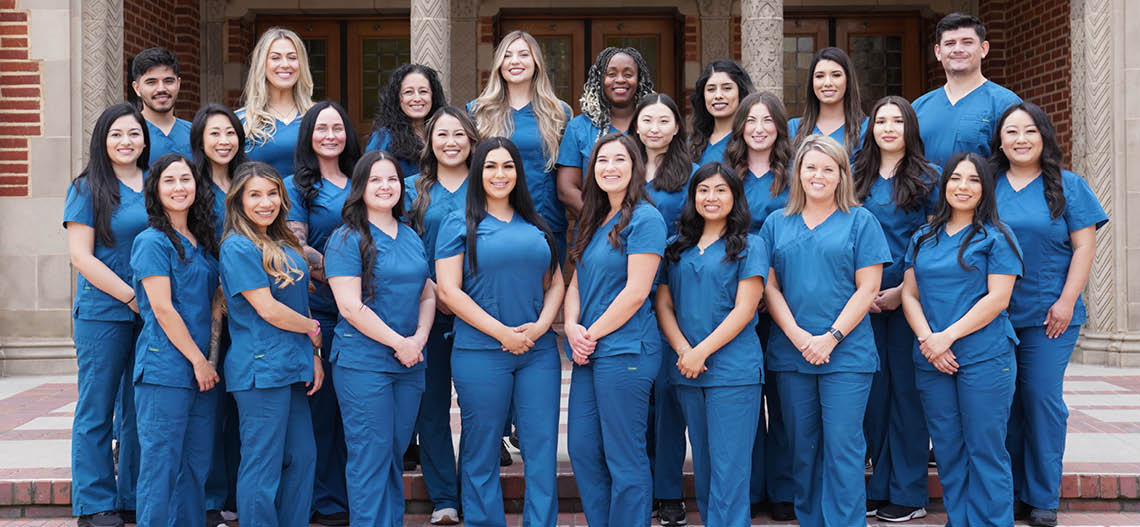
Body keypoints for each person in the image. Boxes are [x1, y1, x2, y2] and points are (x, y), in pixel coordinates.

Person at [759, 134, 890, 527]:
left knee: (844, 446)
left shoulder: (861, 221)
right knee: (802, 447)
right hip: (792, 352)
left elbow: (869, 288)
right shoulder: (775, 223)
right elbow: (768, 287)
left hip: (846, 354)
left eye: (827, 168)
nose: (818, 175)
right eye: (810, 167)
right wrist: (800, 337)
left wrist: (830, 337)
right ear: (798, 173)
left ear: (841, 175)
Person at [436, 137, 565, 527]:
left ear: (518, 173)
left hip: (537, 353)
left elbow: (556, 282)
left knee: (541, 451)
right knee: (481, 449)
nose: (499, 174)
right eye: (490, 166)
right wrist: (501, 333)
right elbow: (448, 290)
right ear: (478, 173)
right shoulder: (458, 222)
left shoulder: (535, 222)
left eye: (507, 166)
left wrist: (542, 325)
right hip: (480, 353)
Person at [992, 103, 1108, 527]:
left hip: (1050, 316)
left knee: (1041, 400)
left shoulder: (1068, 186)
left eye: (1029, 131)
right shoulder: (987, 185)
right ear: (1000, 141)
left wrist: (1065, 300)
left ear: (1044, 137)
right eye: (1011, 132)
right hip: (995, 315)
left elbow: (1084, 247)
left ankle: (1042, 497)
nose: (1021, 139)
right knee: (1004, 404)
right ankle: (1015, 492)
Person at [899, 152, 1023, 527]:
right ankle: (961, 520)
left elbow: (998, 298)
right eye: (955, 178)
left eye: (973, 180)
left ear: (985, 188)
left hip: (985, 356)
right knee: (950, 449)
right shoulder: (923, 236)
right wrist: (928, 340)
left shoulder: (997, 236)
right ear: (944, 185)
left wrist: (947, 337)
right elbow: (909, 295)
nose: (963, 186)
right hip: (932, 359)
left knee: (985, 449)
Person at [325, 150, 436, 527]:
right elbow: (350, 308)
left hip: (410, 362)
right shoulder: (346, 239)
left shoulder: (410, 234)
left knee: (392, 453)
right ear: (360, 187)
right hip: (364, 364)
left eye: (392, 179)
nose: (385, 186)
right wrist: (399, 343)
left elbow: (428, 293)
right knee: (370, 456)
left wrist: (419, 338)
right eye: (375, 179)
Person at [655, 162, 767, 527]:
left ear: (735, 197)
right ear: (692, 197)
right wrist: (685, 350)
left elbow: (745, 308)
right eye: (703, 190)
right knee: (703, 469)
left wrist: (701, 351)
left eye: (721, 190)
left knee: (730, 472)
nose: (711, 197)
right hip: (687, 370)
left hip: (733, 372)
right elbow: (664, 305)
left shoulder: (751, 245)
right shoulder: (675, 248)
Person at [565, 133, 666, 527]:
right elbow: (577, 280)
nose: (609, 167)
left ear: (634, 167)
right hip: (589, 349)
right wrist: (572, 326)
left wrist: (589, 334)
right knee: (583, 449)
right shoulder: (593, 218)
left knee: (624, 456)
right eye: (601, 160)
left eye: (619, 160)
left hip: (625, 350)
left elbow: (637, 291)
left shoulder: (645, 218)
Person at [850, 95, 941, 522]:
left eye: (896, 121)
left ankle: (908, 492)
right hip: (859, 300)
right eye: (880, 120)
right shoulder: (854, 174)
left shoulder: (929, 177)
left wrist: (901, 290)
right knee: (873, 395)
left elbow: (932, 240)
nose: (888, 128)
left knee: (907, 395)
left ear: (910, 128)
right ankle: (879, 484)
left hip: (911, 297)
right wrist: (863, 294)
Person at [219, 161, 323, 527]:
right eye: (255, 195)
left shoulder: (285, 243)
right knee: (262, 466)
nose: (266, 202)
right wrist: (313, 330)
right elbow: (268, 309)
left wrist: (314, 355)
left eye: (272, 193)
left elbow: (300, 300)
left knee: (303, 456)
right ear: (239, 201)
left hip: (293, 364)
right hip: (259, 369)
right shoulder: (237, 247)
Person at [65, 102, 150, 527]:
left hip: (154, 313)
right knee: (97, 406)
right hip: (104, 313)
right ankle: (95, 501)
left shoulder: (157, 183)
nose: (126, 142)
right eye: (116, 134)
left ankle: (133, 494)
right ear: (102, 140)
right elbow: (81, 257)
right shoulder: (87, 188)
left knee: (140, 406)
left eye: (134, 133)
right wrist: (132, 296)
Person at [130, 153, 221, 527]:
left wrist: (209, 360)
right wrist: (198, 361)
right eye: (169, 181)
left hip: (204, 371)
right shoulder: (151, 242)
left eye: (186, 179)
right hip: (165, 368)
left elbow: (213, 305)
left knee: (195, 465)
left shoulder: (202, 240)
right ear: (155, 189)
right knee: (161, 465)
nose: (180, 187)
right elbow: (163, 309)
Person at [283, 100, 361, 526]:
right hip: (321, 312)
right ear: (308, 135)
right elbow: (296, 246)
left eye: (337, 127)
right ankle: (324, 503)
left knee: (355, 412)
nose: (330, 135)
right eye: (320, 128)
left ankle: (352, 497)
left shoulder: (360, 180)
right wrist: (345, 274)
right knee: (322, 411)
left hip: (367, 313)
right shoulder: (295, 186)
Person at [404, 106, 481, 525]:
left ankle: (474, 489)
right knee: (430, 407)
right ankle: (444, 498)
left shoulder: (488, 184)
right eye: (442, 135)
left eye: (459, 134)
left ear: (472, 139)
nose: (450, 142)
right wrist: (434, 292)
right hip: (427, 310)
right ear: (429, 142)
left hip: (478, 313)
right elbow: (400, 247)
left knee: (477, 408)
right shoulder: (410, 189)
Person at [723, 90, 795, 520]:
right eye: (751, 120)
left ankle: (784, 489)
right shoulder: (726, 173)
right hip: (734, 298)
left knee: (784, 399)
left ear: (779, 127)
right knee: (743, 401)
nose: (759, 128)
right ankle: (748, 489)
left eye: (768, 120)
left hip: (788, 296)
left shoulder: (795, 174)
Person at [628, 92, 692, 526]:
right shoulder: (620, 167)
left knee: (668, 393)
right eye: (646, 119)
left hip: (673, 287)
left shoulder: (688, 174)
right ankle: (639, 484)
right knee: (638, 393)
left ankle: (668, 489)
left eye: (662, 120)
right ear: (635, 125)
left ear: (675, 127)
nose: (654, 127)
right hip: (629, 288)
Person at [189, 103, 249, 526]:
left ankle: (237, 493)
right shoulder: (189, 184)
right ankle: (210, 498)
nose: (224, 141)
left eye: (230, 133)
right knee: (209, 401)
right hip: (204, 303)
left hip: (248, 304)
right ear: (200, 140)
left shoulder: (251, 180)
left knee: (241, 403)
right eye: (215, 134)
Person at [468, 30, 573, 261]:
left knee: (547, 291)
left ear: (536, 62)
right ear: (499, 64)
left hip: (544, 220)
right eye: (507, 55)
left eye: (523, 54)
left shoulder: (559, 113)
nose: (515, 61)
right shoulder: (477, 111)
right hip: (491, 220)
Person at [912, 12, 1021, 167]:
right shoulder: (918, 108)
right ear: (938, 52)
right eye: (950, 43)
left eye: (967, 42)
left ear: (984, 49)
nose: (958, 49)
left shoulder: (1005, 104)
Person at [556, 47, 654, 217]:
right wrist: (602, 222)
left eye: (628, 74)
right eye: (611, 74)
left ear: (640, 80)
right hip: (594, 230)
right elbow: (566, 189)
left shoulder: (653, 127)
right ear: (599, 80)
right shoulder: (579, 128)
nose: (620, 80)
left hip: (647, 228)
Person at [238, 27, 315, 178]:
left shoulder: (318, 116)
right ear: (262, 64)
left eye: (292, 57)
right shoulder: (241, 121)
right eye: (275, 58)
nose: (285, 64)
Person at [366, 64, 448, 178]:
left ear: (433, 96)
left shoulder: (443, 134)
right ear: (398, 98)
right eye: (409, 92)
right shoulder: (384, 137)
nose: (417, 98)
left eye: (423, 91)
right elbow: (368, 178)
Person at [789, 47, 867, 159]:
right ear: (812, 82)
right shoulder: (793, 128)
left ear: (848, 80)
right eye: (820, 76)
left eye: (836, 75)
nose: (827, 83)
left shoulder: (867, 128)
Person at [130, 47, 192, 165]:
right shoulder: (126, 136)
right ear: (137, 88)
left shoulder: (196, 134)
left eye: (168, 81)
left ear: (178, 84)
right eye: (151, 82)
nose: (161, 89)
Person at [689, 60, 754, 167]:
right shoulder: (692, 144)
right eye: (711, 89)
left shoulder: (752, 140)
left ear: (741, 92)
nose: (718, 95)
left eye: (727, 88)